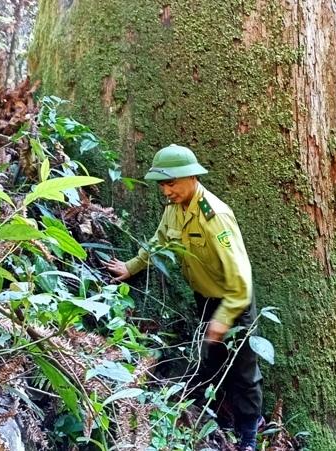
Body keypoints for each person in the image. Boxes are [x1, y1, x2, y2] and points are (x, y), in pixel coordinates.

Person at [105, 144, 263, 450]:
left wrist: (223, 319)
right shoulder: (174, 209)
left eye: (171, 182)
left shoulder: (214, 216)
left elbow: (242, 281)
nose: (166, 190)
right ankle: (220, 420)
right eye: (162, 184)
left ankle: (249, 434)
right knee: (214, 362)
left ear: (191, 177)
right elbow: (160, 240)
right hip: (205, 298)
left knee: (245, 370)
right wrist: (132, 265)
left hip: (234, 302)